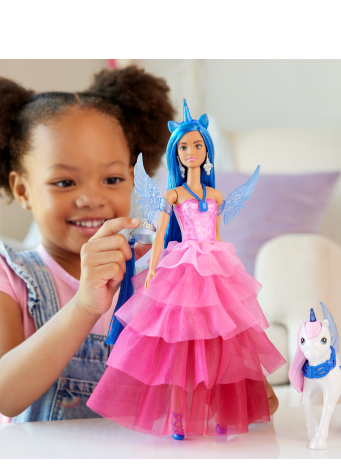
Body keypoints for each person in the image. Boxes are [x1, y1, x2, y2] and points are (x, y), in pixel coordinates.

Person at [0, 66, 174, 423]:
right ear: (23, 190)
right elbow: (4, 395)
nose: (92, 199)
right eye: (65, 182)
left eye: (112, 179)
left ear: (133, 179)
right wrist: (84, 306)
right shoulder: (4, 273)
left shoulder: (152, 274)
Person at [86, 100, 285, 438]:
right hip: (183, 263)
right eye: (184, 147)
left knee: (221, 340)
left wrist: (226, 269)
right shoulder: (174, 195)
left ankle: (225, 411)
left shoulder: (216, 196)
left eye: (196, 146)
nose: (190, 152)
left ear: (207, 152)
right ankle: (178, 417)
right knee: (179, 342)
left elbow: (217, 236)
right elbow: (161, 234)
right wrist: (152, 268)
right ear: (176, 154)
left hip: (214, 263)